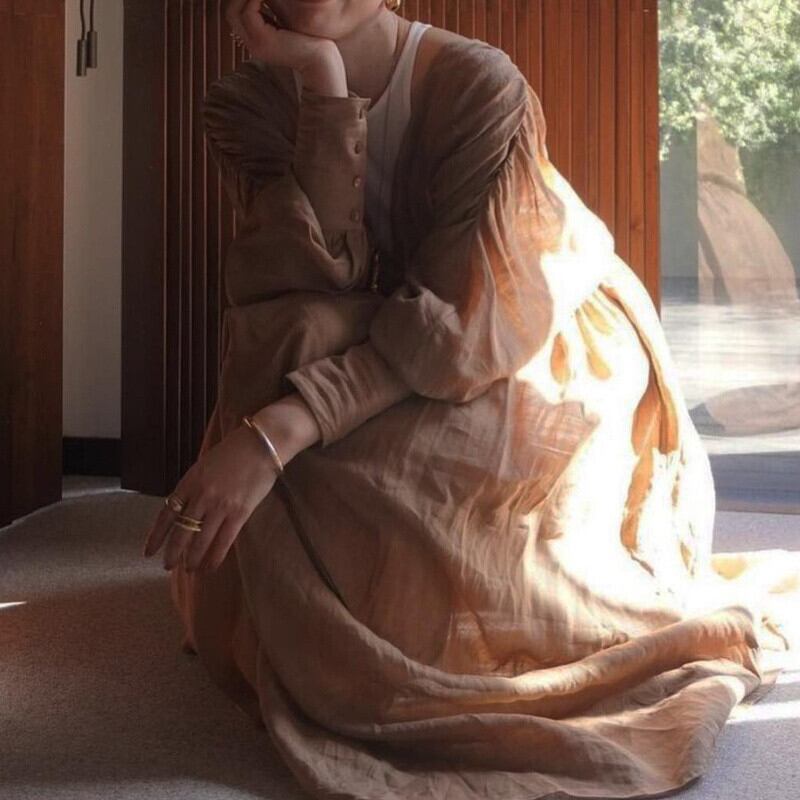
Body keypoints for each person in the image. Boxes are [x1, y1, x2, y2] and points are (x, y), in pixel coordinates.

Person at [142, 1, 800, 798]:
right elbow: (303, 283)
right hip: (374, 330)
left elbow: (461, 325)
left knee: (396, 465)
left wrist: (278, 430)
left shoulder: (479, 85)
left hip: (524, 330)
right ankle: (355, 634)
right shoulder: (246, 103)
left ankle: (424, 644)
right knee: (292, 354)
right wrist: (323, 86)